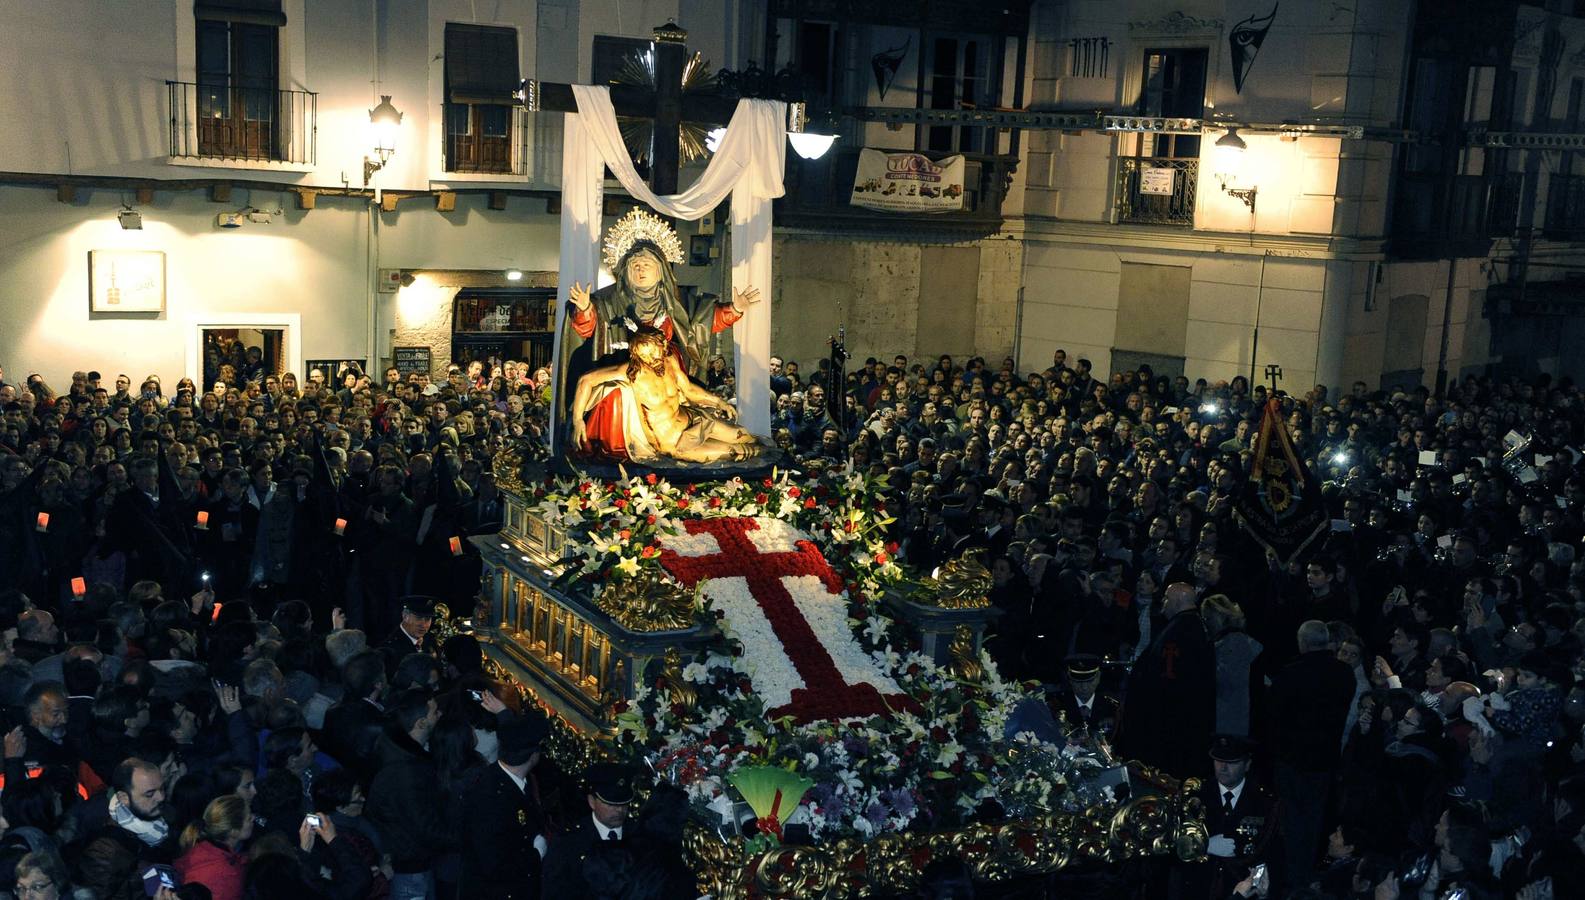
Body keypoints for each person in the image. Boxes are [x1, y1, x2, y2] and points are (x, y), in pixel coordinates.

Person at [568, 325, 761, 464]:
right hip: (675, 442)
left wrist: (719, 402)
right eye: (644, 356)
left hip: (693, 419)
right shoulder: (630, 372)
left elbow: (690, 391)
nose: (651, 360)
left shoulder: (669, 361)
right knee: (738, 452)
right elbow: (586, 380)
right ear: (636, 354)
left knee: (745, 436)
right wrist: (578, 420)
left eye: (654, 354)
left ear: (663, 346)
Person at [458, 708, 550, 899]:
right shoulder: (490, 796)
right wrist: (536, 855)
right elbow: (493, 863)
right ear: (533, 755)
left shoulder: (506, 780)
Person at [542, 762, 639, 897]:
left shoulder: (640, 836)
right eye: (610, 804)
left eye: (624, 803)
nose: (619, 810)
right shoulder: (568, 842)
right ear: (591, 801)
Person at [174, 794, 251, 900]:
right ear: (234, 832)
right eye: (249, 818)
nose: (253, 819)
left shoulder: (199, 848)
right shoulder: (228, 876)